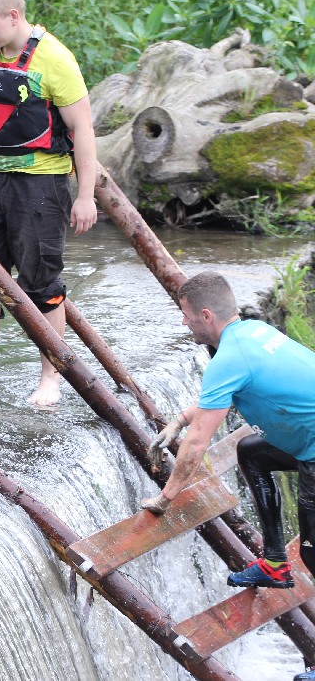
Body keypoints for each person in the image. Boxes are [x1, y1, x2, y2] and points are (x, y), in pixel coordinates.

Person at [140, 272, 315, 681]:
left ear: (205, 315)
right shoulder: (253, 331)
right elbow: (221, 392)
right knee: (251, 452)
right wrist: (180, 420)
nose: (184, 324)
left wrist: (166, 497)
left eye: (186, 316)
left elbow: (198, 446)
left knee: (314, 556)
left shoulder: (229, 357)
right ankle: (274, 562)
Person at [0, 0, 98, 406]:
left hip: (40, 185)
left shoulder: (56, 59)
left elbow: (82, 129)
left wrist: (85, 196)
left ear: (14, 17)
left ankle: (50, 379)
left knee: (41, 282)